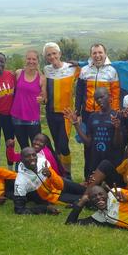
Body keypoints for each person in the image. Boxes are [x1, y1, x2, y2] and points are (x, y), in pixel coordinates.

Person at [65, 88, 124, 180]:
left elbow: (118, 144)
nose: (99, 100)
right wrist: (76, 124)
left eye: (102, 97)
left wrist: (117, 128)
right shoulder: (92, 117)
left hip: (112, 160)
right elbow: (88, 143)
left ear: (109, 97)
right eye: (97, 99)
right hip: (95, 160)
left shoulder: (117, 116)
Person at [43, 42, 80, 175]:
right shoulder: (46, 70)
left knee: (63, 145)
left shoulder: (72, 68)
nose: (52, 56)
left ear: (59, 54)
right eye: (49, 55)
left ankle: (68, 174)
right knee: (57, 146)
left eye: (54, 53)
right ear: (46, 58)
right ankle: (60, 174)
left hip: (66, 114)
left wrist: (80, 62)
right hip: (51, 113)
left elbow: (89, 68)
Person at [13, 147, 85, 214]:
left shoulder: (42, 162)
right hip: (53, 196)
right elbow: (19, 209)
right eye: (27, 156)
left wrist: (50, 174)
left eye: (34, 155)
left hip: (59, 184)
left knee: (86, 190)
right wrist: (45, 209)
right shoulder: (20, 182)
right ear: (21, 159)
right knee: (85, 199)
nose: (32, 158)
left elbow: (59, 183)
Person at [75, 43, 120, 125]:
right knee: (86, 136)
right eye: (94, 53)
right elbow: (79, 94)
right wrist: (77, 113)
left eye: (100, 52)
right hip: (87, 112)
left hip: (105, 112)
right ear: (91, 55)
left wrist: (115, 112)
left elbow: (115, 95)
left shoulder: (112, 71)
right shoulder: (84, 70)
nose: (97, 55)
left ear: (105, 54)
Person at [10, 49, 46, 149]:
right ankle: (23, 165)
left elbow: (44, 99)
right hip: (17, 117)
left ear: (38, 61)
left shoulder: (41, 78)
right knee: (24, 148)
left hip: (33, 119)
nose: (31, 61)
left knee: (36, 148)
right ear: (25, 60)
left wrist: (42, 99)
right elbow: (11, 91)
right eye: (29, 59)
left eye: (34, 59)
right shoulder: (18, 73)